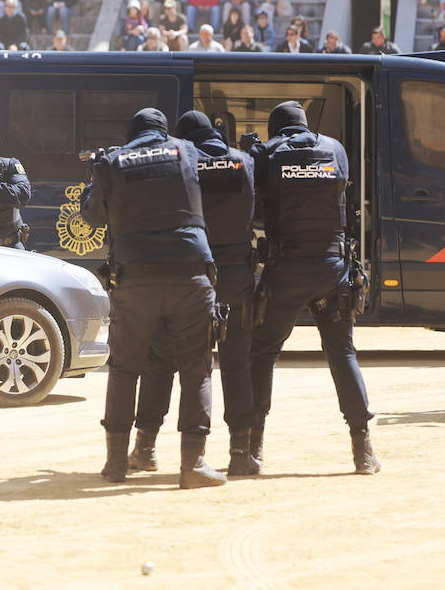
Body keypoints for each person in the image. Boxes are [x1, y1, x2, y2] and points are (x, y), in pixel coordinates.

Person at [80, 108, 224, 489]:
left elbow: (92, 217)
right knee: (196, 371)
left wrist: (95, 171)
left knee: (125, 371)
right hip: (190, 278)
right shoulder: (188, 151)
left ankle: (115, 465)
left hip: (136, 280)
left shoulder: (113, 160)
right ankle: (192, 465)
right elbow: (221, 163)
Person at [246, 101, 378, 474]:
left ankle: (252, 450)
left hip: (286, 269)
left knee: (263, 352)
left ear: (277, 129)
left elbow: (252, 201)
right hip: (332, 269)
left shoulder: (269, 154)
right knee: (342, 354)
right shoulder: (334, 149)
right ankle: (362, 451)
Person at [128, 111, 257, 478]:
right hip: (235, 275)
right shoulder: (244, 162)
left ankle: (146, 448)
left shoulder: (180, 164)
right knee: (235, 364)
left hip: (188, 272)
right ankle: (240, 452)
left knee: (162, 361)